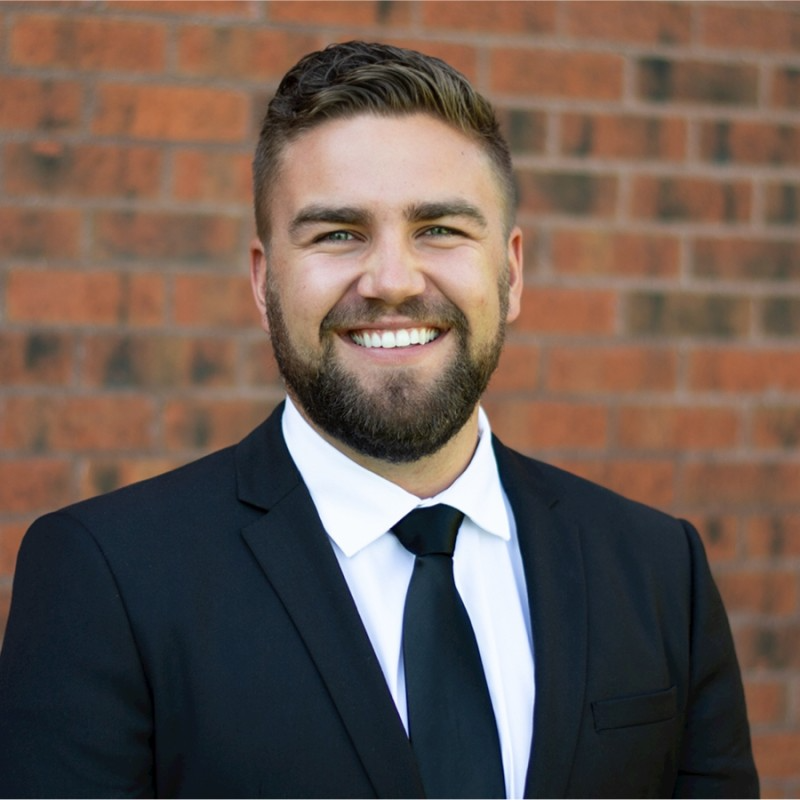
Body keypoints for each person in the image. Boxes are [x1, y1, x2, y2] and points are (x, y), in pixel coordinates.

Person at [0, 41, 758, 799]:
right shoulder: (107, 578)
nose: (392, 281)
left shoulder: (659, 570)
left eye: (440, 229)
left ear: (512, 271)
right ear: (264, 281)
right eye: (338, 234)